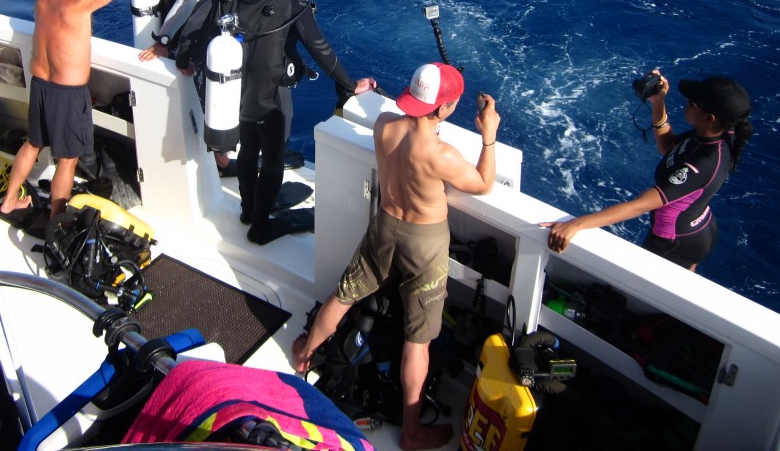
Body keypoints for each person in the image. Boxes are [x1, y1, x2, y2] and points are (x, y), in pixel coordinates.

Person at [292, 62, 501, 451]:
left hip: (384, 226)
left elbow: (400, 119)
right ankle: (411, 429)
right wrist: (489, 135)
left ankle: (305, 355)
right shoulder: (443, 155)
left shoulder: (384, 125)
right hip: (425, 242)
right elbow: (484, 184)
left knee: (345, 294)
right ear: (441, 109)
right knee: (417, 339)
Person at [177, 0, 375, 244]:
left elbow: (196, 21)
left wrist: (183, 59)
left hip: (231, 92)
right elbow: (320, 49)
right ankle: (260, 227)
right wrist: (349, 85)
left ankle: (247, 210)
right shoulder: (295, 4)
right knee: (272, 159)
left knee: (245, 152)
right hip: (270, 98)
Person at [0, 0, 141, 218]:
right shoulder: (78, 7)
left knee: (33, 143)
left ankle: (9, 200)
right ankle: (56, 222)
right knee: (67, 160)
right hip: (67, 95)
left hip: (41, 86)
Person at [540, 71, 753, 272]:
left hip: (673, 241)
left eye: (692, 103)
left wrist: (576, 224)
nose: (685, 103)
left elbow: (639, 206)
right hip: (695, 230)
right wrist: (658, 101)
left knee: (648, 301)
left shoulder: (703, 162)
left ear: (710, 118)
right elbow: (669, 148)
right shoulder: (715, 134)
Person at [138, 0, 244, 176]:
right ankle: (218, 162)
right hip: (189, 45)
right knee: (208, 99)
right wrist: (168, 45)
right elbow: (185, 6)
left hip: (172, 39)